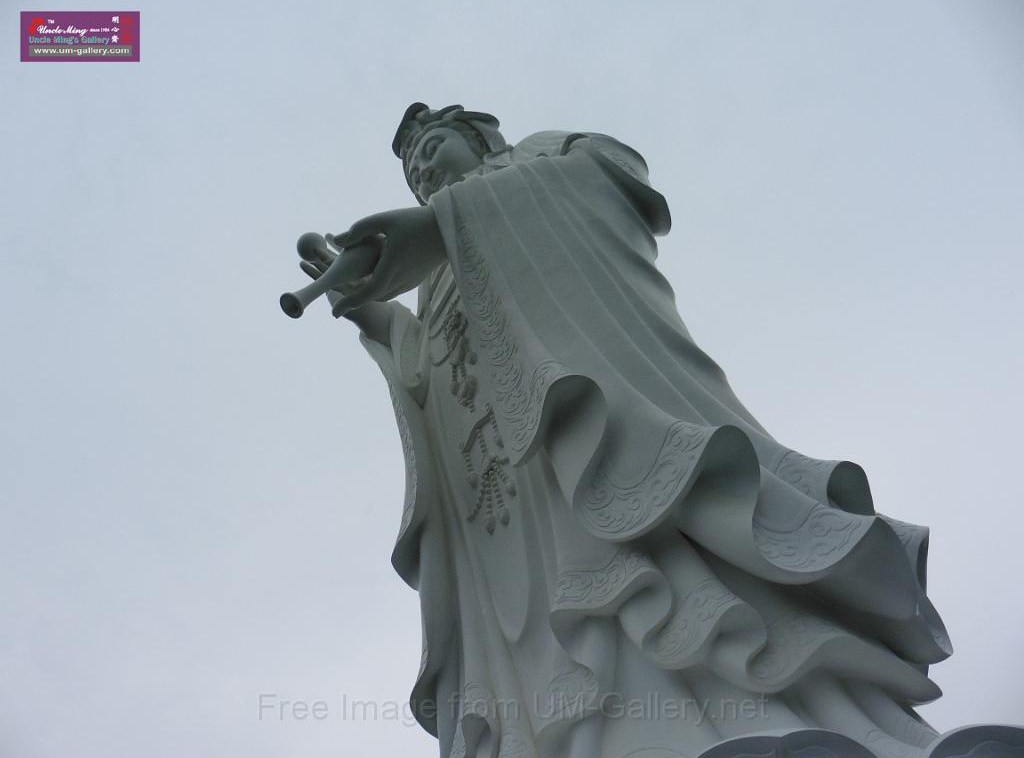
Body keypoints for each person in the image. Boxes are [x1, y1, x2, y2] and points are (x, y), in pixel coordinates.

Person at [293, 103, 1023, 758]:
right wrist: (382, 319)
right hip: (514, 492)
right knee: (552, 611)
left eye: (433, 148)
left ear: (483, 136)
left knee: (641, 566)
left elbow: (615, 183)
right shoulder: (438, 271)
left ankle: (739, 719)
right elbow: (441, 371)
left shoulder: (548, 157)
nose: (424, 170)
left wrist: (449, 223)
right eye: (415, 170)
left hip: (592, 421)